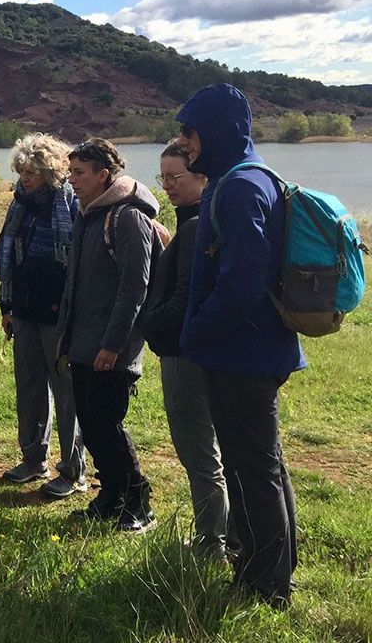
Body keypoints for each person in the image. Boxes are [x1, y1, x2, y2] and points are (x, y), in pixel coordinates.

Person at [175, 83, 304, 607]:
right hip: (253, 350)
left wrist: (196, 331)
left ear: (218, 132)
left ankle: (261, 583)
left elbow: (242, 284)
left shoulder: (239, 186)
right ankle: (277, 568)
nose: (183, 144)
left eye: (190, 133)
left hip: (241, 355)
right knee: (263, 464)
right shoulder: (250, 177)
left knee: (251, 472)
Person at [57, 138, 160, 532]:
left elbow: (136, 287)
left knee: (107, 426)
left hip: (110, 348)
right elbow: (75, 285)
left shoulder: (127, 217)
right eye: (70, 172)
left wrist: (113, 346)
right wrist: (66, 341)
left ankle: (138, 503)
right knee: (92, 425)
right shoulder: (87, 214)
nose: (72, 180)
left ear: (104, 175)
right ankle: (111, 496)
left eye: (79, 173)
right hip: (83, 345)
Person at [141, 140, 228, 561]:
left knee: (199, 452)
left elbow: (182, 301)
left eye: (176, 177)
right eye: (163, 177)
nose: (168, 185)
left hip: (183, 354)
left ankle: (213, 542)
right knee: (211, 450)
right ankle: (225, 536)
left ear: (203, 177)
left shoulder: (196, 228)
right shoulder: (198, 223)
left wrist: (140, 324)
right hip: (198, 352)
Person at [0, 133, 86, 499]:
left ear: (51, 171)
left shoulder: (70, 204)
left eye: (31, 171)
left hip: (58, 316)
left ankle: (73, 470)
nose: (24, 178)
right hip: (24, 311)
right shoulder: (20, 205)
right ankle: (34, 460)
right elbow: (8, 256)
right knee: (29, 387)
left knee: (66, 393)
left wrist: (68, 315)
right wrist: (7, 308)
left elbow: (76, 266)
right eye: (20, 171)